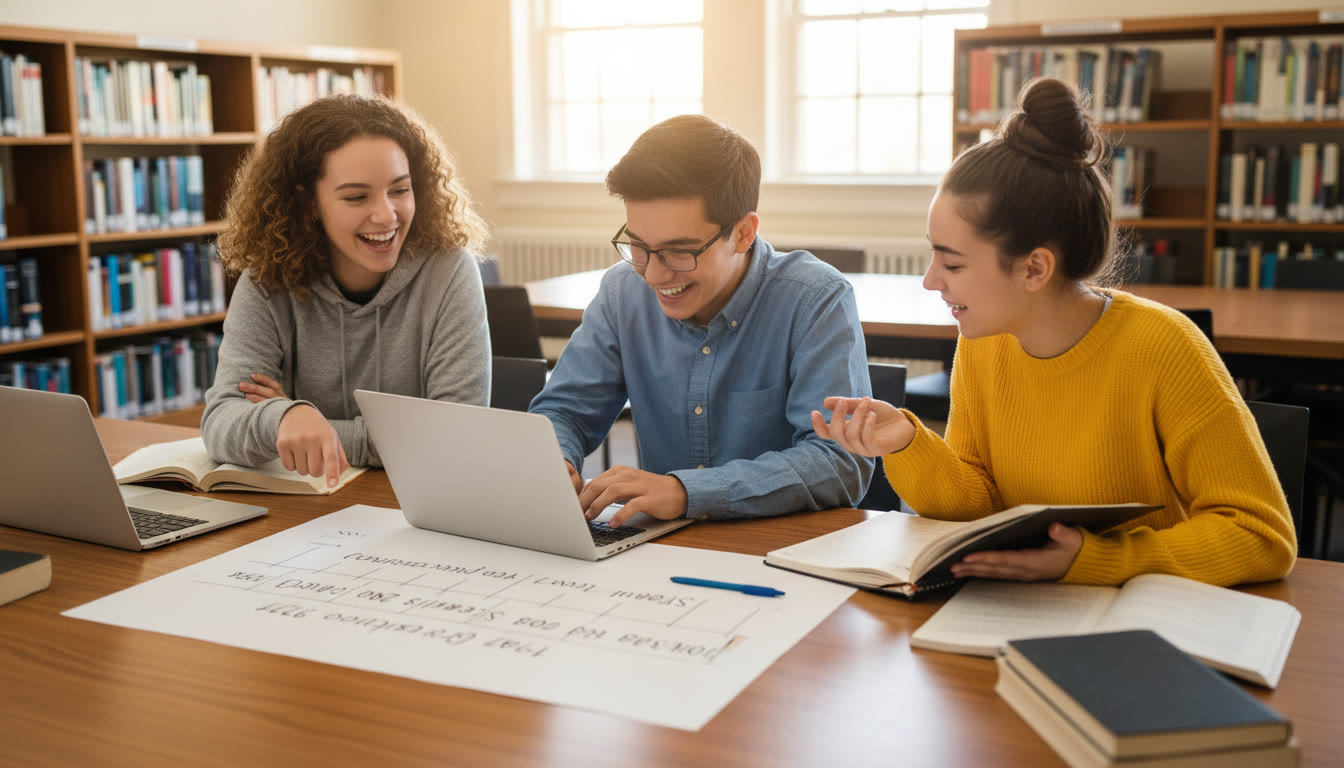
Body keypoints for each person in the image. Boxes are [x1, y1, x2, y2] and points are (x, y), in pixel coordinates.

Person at [812, 77, 1296, 587]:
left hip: (1139, 621)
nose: (930, 281)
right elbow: (979, 504)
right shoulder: (984, 343)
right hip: (1022, 605)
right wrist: (908, 443)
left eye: (951, 264)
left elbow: (1261, 535)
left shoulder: (1164, 348)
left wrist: (1095, 559)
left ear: (1035, 269)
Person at [529, 114, 874, 528]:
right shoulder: (622, 292)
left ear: (744, 233)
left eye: (680, 251)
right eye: (638, 246)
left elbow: (839, 463)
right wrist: (556, 456)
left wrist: (686, 491)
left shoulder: (816, 299)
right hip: (664, 546)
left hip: (783, 550)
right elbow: (565, 410)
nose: (654, 276)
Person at [202, 94, 491, 489]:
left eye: (400, 190)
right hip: (308, 516)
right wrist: (283, 420)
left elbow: (454, 434)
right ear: (307, 203)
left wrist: (306, 425)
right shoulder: (267, 280)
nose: (386, 215)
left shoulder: (449, 271)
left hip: (417, 508)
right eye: (356, 197)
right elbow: (220, 423)